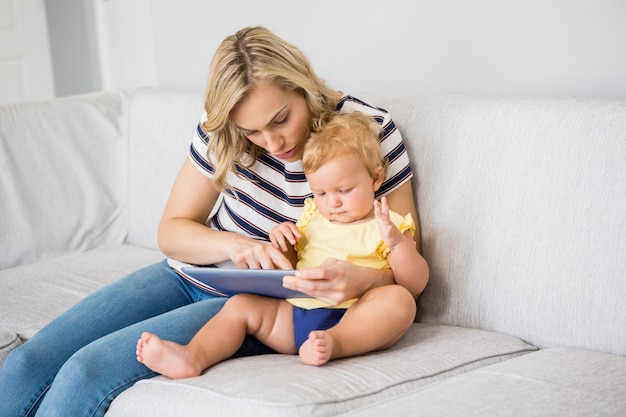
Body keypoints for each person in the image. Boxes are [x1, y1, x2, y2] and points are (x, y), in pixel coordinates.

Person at [0, 26, 428, 417]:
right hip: (194, 272)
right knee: (25, 364)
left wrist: (359, 280)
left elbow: (403, 264)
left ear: (304, 86)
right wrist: (235, 246)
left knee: (85, 373)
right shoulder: (221, 130)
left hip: (255, 303)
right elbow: (172, 229)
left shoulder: (367, 130)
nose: (272, 141)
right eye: (252, 132)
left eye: (281, 119)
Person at [135, 112, 425, 377]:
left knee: (399, 302)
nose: (333, 202)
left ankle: (336, 343)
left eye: (344, 190)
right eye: (321, 192)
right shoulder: (312, 217)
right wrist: (283, 242)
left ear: (375, 178)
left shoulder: (389, 224)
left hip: (356, 318)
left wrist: (398, 246)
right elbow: (291, 268)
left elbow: (414, 284)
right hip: (296, 317)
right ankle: (193, 356)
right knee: (240, 306)